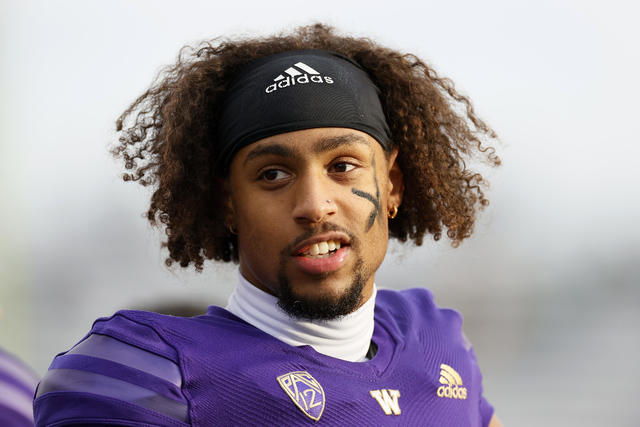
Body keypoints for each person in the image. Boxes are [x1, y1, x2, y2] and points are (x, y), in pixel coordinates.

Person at [34, 24, 502, 426]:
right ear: (229, 204)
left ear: (393, 185)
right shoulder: (146, 370)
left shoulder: (437, 340)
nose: (315, 205)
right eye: (272, 174)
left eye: (343, 166)